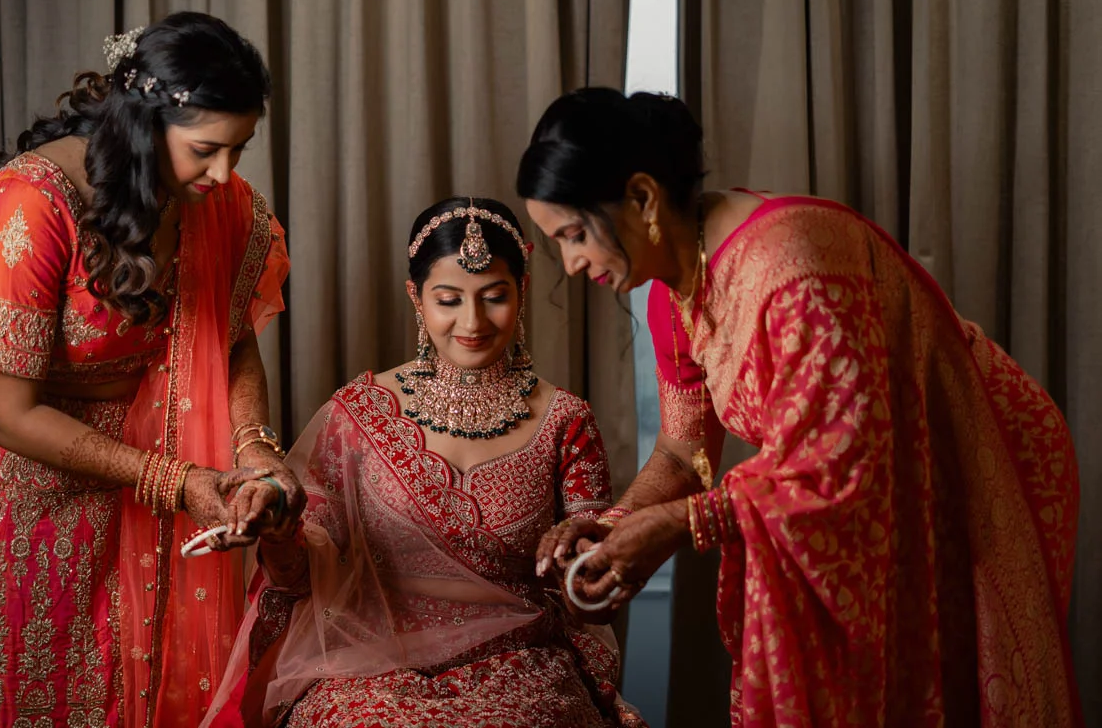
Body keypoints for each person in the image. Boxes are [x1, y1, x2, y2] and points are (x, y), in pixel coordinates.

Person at [518, 88, 1081, 726]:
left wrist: (681, 524)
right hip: (877, 465)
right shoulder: (673, 292)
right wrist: (614, 526)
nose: (571, 263)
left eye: (574, 235)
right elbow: (683, 453)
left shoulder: (789, 273)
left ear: (643, 198)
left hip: (967, 458)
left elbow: (840, 466)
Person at [0, 12, 304, 728]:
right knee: (9, 685)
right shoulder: (34, 200)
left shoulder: (216, 203)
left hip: (127, 477)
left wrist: (255, 448)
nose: (225, 173)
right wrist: (173, 480)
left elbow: (227, 339)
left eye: (238, 148)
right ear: (143, 124)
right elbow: (4, 411)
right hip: (2, 479)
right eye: (205, 150)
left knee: (106, 687)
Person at [203, 197, 645, 728]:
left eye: (494, 296)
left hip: (521, 663)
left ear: (522, 290)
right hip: (368, 664)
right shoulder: (361, 413)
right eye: (448, 299)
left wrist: (588, 563)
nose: (472, 321)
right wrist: (277, 532)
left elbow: (591, 593)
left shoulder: (564, 422)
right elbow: (298, 580)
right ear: (416, 297)